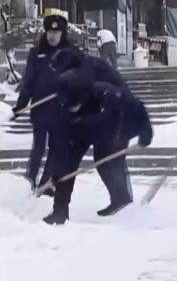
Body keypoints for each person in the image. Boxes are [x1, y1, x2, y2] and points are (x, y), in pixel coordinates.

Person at [41, 69, 153, 225]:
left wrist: (146, 132)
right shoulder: (63, 108)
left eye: (74, 105)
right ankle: (60, 212)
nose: (71, 108)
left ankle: (121, 199)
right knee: (66, 165)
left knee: (105, 161)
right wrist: (57, 173)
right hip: (79, 130)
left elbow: (136, 106)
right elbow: (60, 145)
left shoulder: (108, 94)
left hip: (114, 128)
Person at [13, 13, 74, 190]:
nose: (52, 36)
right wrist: (20, 105)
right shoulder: (36, 53)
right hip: (39, 109)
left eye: (56, 32)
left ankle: (45, 184)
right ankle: (29, 180)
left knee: (55, 148)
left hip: (61, 111)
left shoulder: (70, 54)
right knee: (38, 147)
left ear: (62, 34)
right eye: (49, 31)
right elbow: (28, 82)